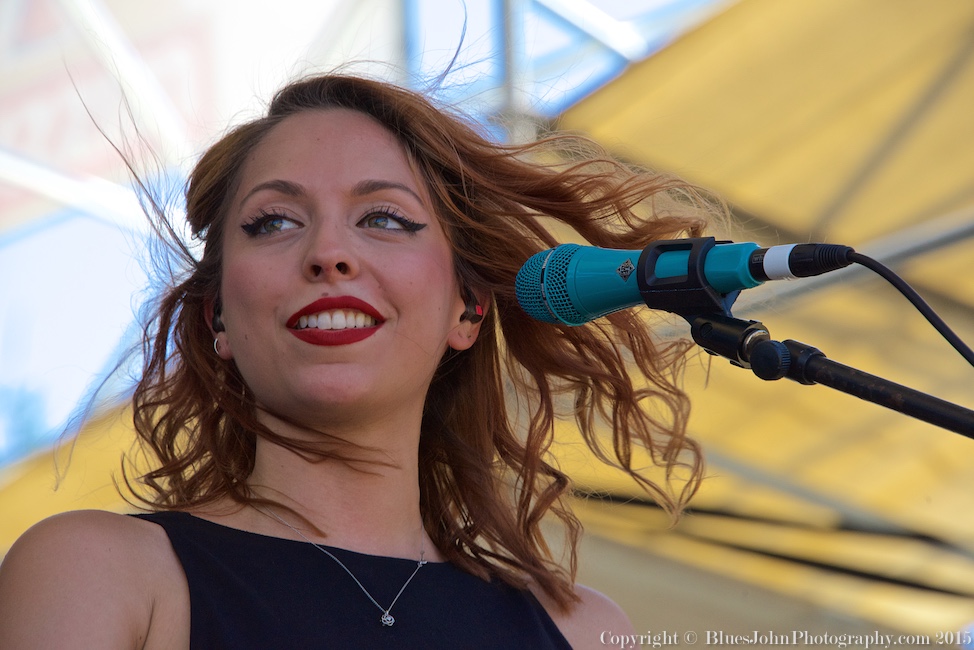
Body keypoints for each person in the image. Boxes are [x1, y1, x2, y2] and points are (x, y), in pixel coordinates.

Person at [0, 73, 717, 648]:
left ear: (467, 309)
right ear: (219, 316)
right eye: (274, 222)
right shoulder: (98, 571)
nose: (328, 253)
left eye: (383, 219)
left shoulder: (585, 632)